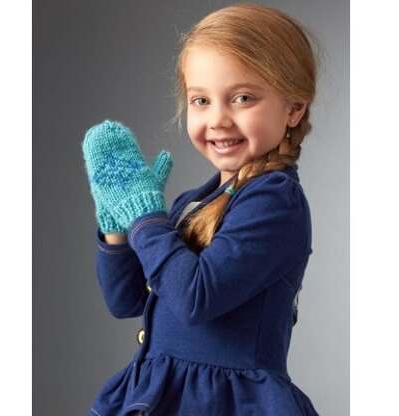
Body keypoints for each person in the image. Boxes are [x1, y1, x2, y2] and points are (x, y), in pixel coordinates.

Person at [82, 3, 321, 415]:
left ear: (294, 108)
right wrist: (117, 223)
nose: (218, 119)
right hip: (164, 396)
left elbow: (194, 297)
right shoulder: (193, 203)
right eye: (201, 100)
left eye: (243, 98)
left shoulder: (275, 201)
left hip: (225, 403)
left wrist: (144, 215)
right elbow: (126, 300)